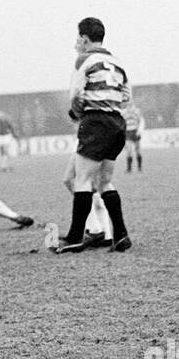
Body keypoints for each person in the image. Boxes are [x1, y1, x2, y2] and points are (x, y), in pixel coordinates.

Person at [56, 17, 133, 254]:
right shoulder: (116, 62)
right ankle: (119, 235)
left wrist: (78, 113)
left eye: (78, 37)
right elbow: (127, 95)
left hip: (96, 123)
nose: (76, 41)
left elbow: (75, 94)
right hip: (117, 123)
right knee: (104, 181)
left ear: (85, 38)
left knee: (82, 181)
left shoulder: (84, 60)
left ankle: (75, 238)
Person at [123, 104, 145, 172]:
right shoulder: (123, 113)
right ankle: (129, 168)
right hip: (128, 132)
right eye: (128, 106)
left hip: (135, 131)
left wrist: (139, 131)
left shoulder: (137, 112)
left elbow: (141, 121)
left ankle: (139, 167)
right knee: (129, 150)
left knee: (137, 150)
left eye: (131, 106)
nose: (129, 107)